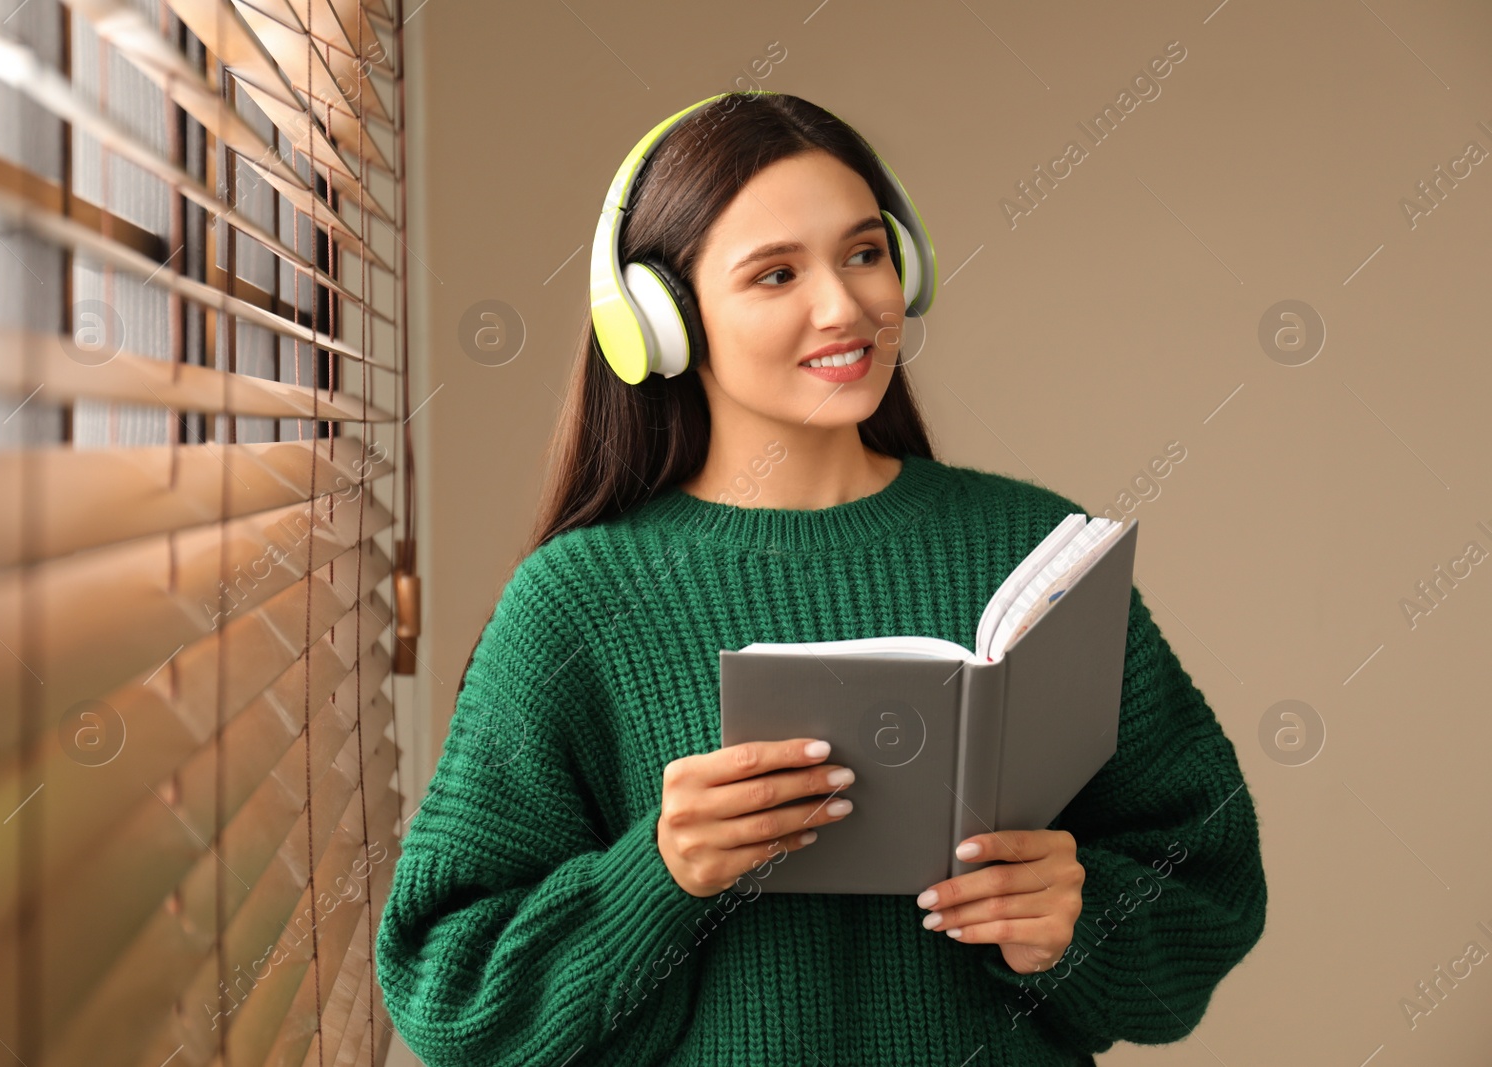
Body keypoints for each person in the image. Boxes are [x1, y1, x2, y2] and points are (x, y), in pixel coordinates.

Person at [375, 91, 1268, 1066]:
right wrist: (661, 871)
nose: (844, 306)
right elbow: (447, 989)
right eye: (774, 274)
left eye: (863, 253)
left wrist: (1073, 912)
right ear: (661, 321)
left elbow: (1207, 886)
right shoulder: (579, 599)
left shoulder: (1034, 547)